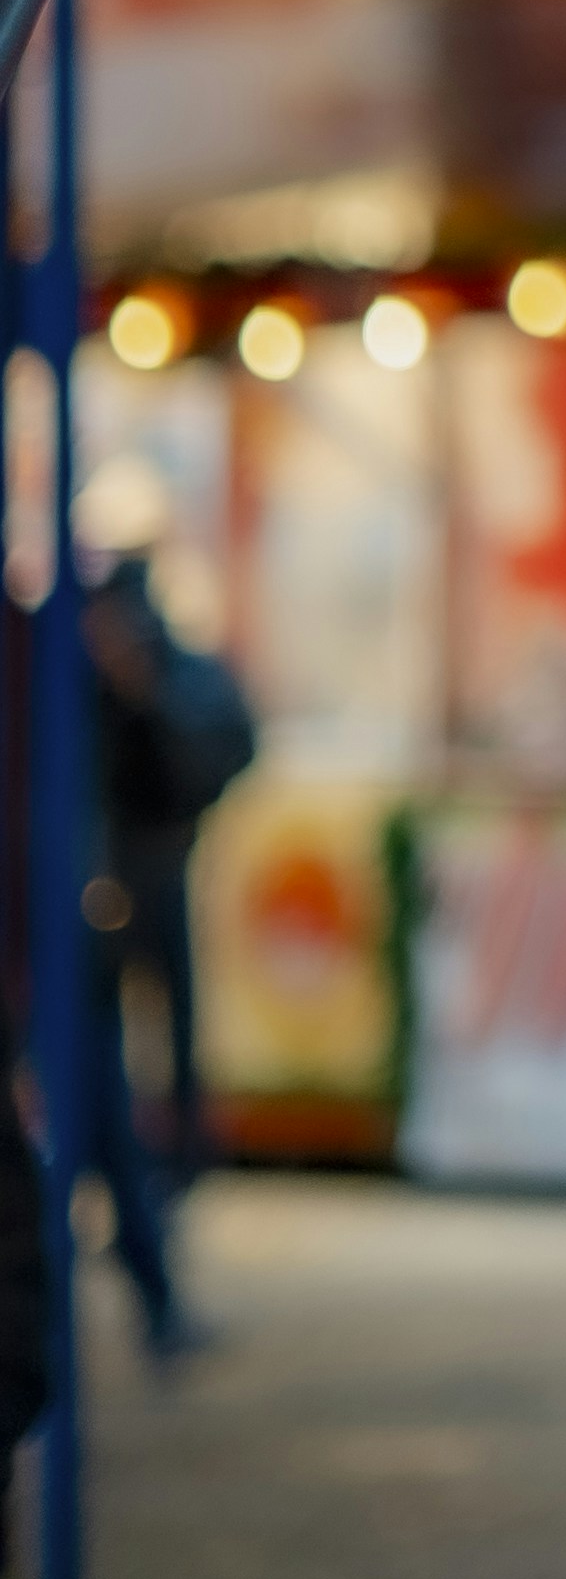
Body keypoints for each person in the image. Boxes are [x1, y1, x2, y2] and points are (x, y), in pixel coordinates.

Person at [76, 549, 251, 1353]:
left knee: (140, 1064)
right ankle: (151, 1266)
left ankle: (172, 1189)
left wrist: (142, 694)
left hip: (144, 874)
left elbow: (213, 751)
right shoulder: (75, 675)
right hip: (88, 897)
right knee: (100, 1090)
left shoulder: (165, 671)